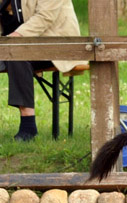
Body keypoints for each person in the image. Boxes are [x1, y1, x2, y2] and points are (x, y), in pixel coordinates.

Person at [0, 0, 84, 141]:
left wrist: (13, 39)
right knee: (13, 52)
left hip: (54, 44)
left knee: (15, 54)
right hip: (17, 44)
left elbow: (45, 17)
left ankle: (28, 127)